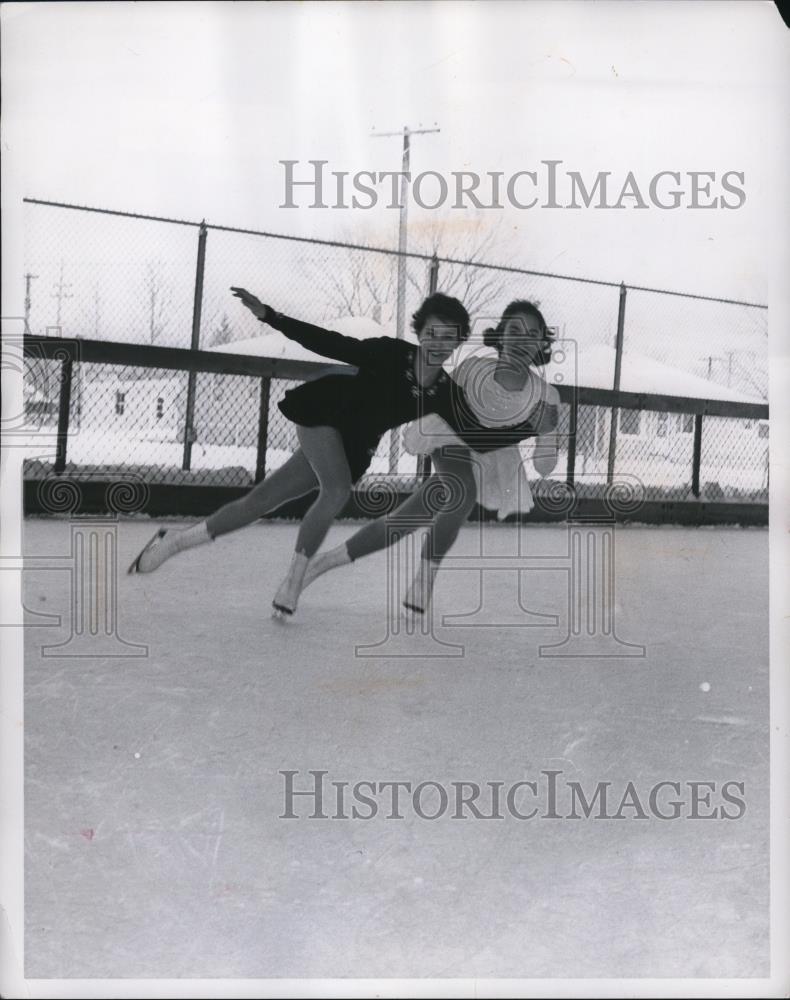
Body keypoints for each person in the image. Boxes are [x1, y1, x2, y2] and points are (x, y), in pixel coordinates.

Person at [128, 287, 471, 618]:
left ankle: (175, 541)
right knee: (336, 491)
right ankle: (293, 583)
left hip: (354, 447)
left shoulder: (445, 393)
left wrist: (521, 422)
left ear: (458, 341)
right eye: (432, 333)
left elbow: (480, 430)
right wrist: (271, 317)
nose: (438, 344)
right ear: (420, 331)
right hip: (325, 414)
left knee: (257, 503)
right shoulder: (391, 353)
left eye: (448, 337)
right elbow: (329, 342)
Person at [301, 300, 561, 614]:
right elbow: (449, 413)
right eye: (515, 330)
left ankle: (325, 561)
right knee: (462, 491)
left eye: (532, 334)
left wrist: (549, 437)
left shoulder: (546, 395)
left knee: (402, 523)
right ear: (501, 335)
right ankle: (424, 581)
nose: (522, 339)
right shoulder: (474, 368)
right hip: (451, 438)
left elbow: (544, 467)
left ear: (540, 344)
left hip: (493, 456)